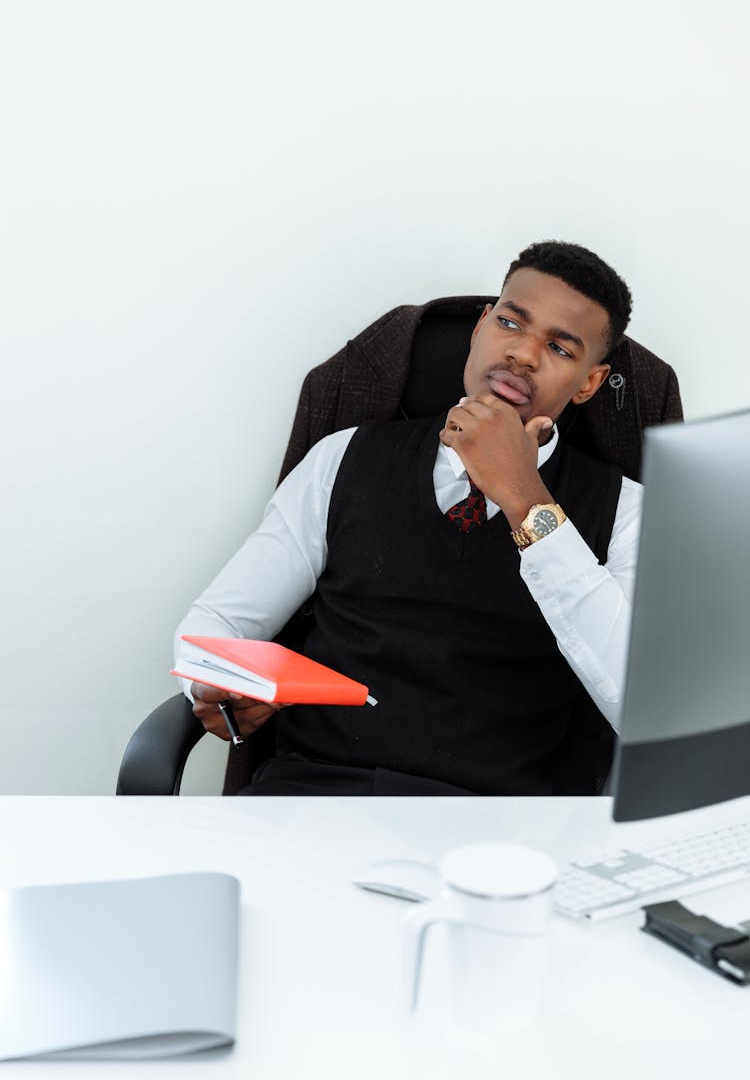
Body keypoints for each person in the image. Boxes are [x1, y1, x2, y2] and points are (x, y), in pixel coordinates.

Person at [176, 240, 641, 795]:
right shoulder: (342, 457)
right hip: (314, 797)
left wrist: (523, 496)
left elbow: (643, 705)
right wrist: (223, 686)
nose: (523, 354)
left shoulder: (628, 513)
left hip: (501, 828)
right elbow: (214, 627)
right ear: (478, 330)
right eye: (511, 322)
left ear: (590, 382)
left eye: (561, 349)